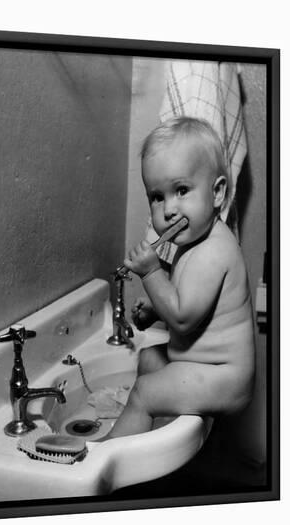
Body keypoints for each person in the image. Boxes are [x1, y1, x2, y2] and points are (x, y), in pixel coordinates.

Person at [106, 116, 255, 439]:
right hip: (203, 368)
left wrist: (151, 272)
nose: (169, 210)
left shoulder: (214, 250)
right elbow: (190, 300)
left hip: (223, 377)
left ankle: (107, 452)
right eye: (157, 197)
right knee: (148, 359)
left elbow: (185, 318)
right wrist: (155, 307)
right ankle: (142, 428)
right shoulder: (194, 243)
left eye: (182, 190)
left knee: (145, 392)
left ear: (217, 194)